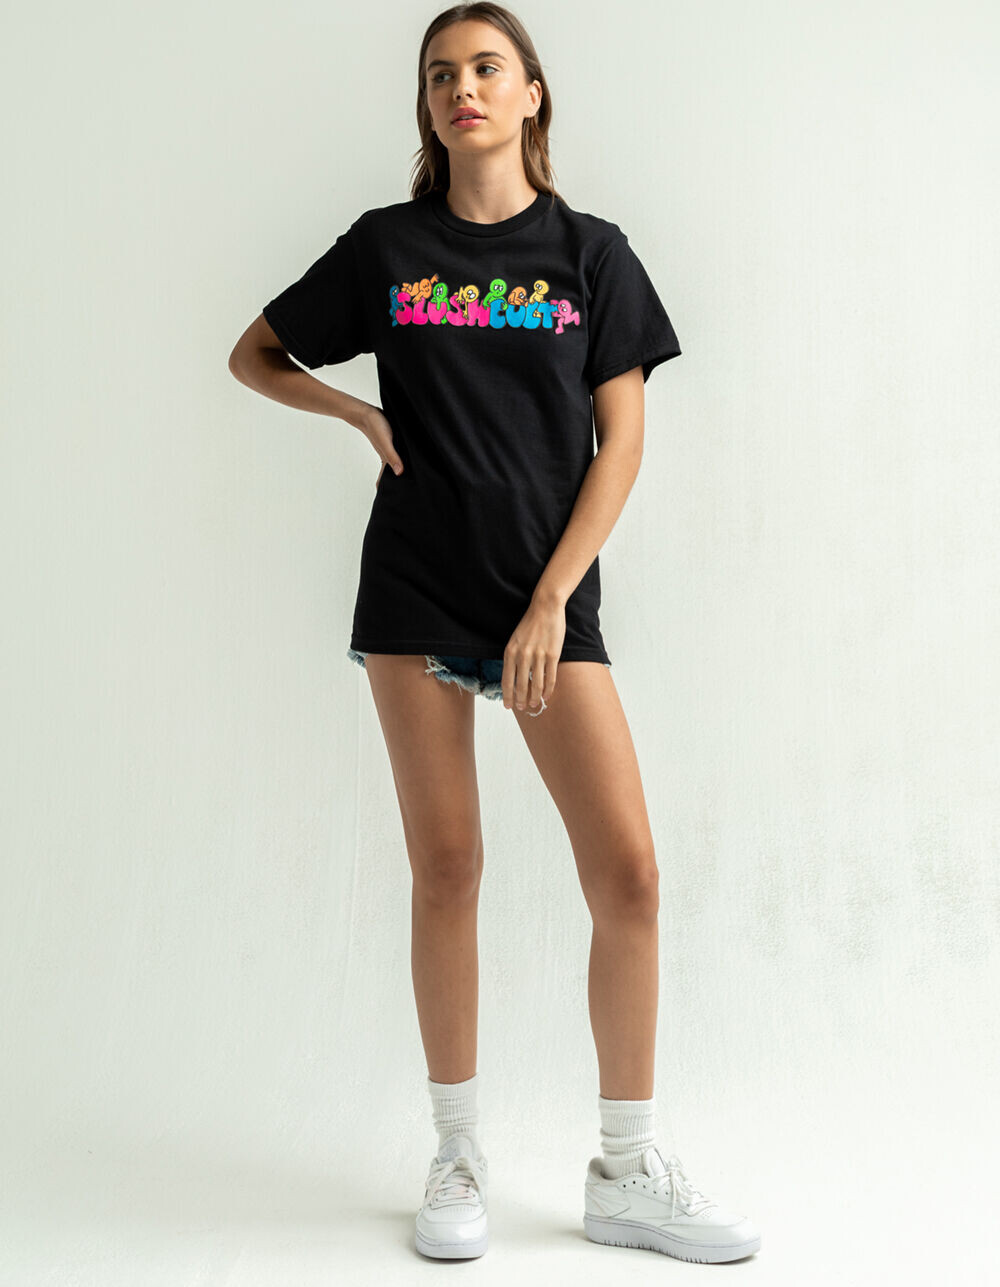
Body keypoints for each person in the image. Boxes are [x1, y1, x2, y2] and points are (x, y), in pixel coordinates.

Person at [229, 0, 760, 1266]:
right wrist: (358, 417)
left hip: (543, 597)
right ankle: (457, 1153)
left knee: (627, 875)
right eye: (438, 74)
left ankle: (624, 1170)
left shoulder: (591, 254)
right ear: (427, 106)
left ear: (530, 94)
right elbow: (255, 354)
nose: (460, 87)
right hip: (415, 588)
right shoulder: (387, 248)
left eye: (484, 67)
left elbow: (620, 445)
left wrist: (550, 600)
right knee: (448, 868)